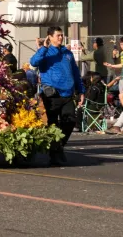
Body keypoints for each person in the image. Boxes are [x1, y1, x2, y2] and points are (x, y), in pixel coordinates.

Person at [29, 27, 85, 166]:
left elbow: (76, 73)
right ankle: (55, 154)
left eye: (62, 35)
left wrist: (81, 90)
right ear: (50, 37)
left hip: (68, 93)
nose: (61, 38)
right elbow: (33, 62)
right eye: (58, 35)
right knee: (53, 124)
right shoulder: (45, 52)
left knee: (70, 121)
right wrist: (43, 48)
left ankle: (57, 147)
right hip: (52, 94)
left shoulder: (67, 53)